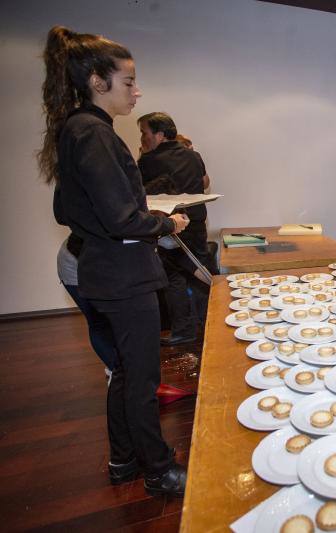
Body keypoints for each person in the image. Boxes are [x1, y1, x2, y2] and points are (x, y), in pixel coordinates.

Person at [39, 25, 189, 496]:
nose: (137, 91)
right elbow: (124, 218)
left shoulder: (76, 130)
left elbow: (66, 210)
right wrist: (167, 224)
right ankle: (158, 470)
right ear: (96, 82)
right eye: (128, 82)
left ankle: (124, 460)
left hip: (103, 272)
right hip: (125, 278)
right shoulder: (95, 134)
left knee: (124, 372)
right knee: (142, 378)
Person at [137, 112, 215, 345]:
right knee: (201, 274)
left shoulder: (147, 161)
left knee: (173, 278)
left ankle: (183, 330)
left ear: (159, 135)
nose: (143, 138)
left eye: (144, 133)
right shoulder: (194, 156)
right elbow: (204, 183)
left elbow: (138, 194)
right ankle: (209, 326)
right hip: (196, 223)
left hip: (170, 226)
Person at [57, 233, 118, 379]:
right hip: (75, 267)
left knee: (113, 321)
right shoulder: (96, 229)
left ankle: (120, 368)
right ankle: (114, 370)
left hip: (98, 264)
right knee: (99, 322)